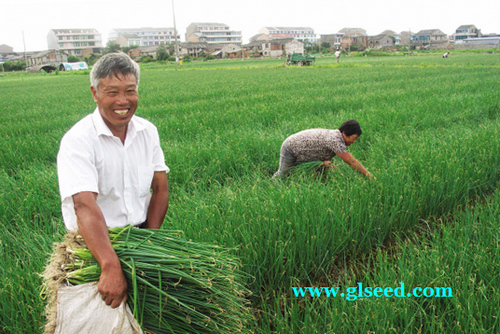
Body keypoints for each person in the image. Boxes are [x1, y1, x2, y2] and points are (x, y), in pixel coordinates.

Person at [57, 52, 170, 309]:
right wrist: (109, 265)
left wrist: (148, 243)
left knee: (147, 315)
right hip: (95, 246)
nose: (123, 101)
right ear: (95, 93)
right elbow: (84, 205)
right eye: (112, 92)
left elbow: (160, 188)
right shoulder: (79, 140)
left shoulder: (147, 132)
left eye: (130, 91)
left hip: (139, 237)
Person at [273, 120, 375, 180]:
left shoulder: (337, 136)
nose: (353, 142)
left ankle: (317, 184)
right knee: (283, 174)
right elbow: (351, 161)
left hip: (305, 151)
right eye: (353, 139)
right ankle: (272, 185)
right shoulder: (335, 140)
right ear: (344, 133)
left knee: (323, 168)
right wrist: (369, 175)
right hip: (291, 147)